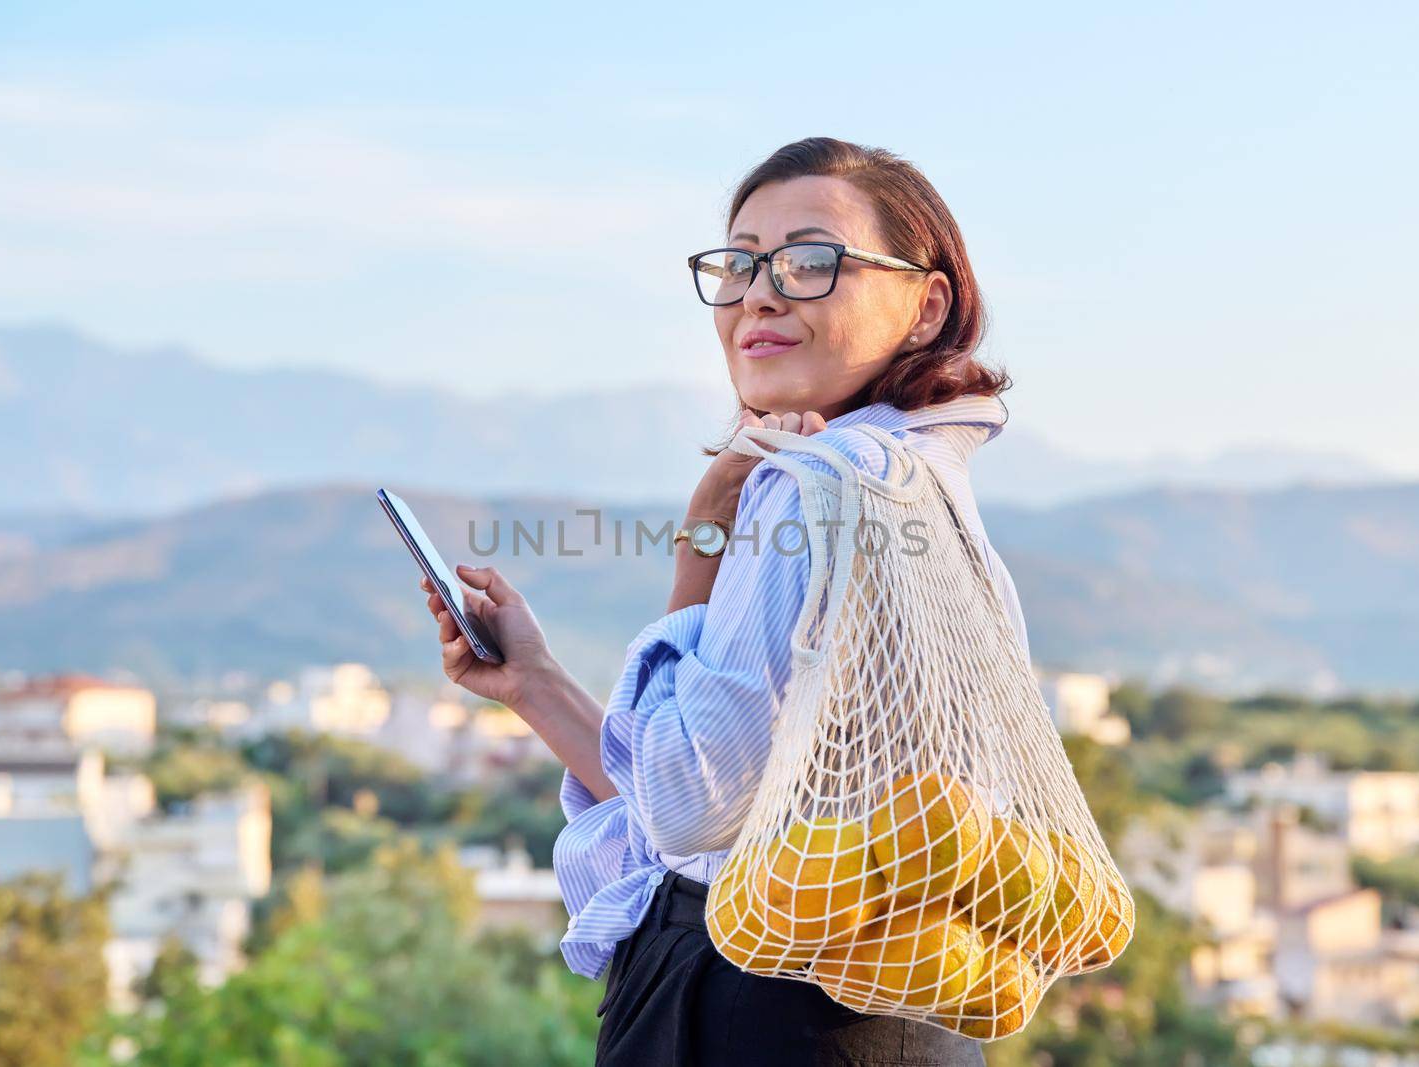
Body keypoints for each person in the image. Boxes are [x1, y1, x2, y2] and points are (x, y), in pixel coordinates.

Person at [424, 136, 1029, 1066]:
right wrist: (536, 684)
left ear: (925, 302)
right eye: (740, 262)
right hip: (879, 1016)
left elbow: (685, 806)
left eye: (810, 261)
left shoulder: (816, 481)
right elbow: (740, 800)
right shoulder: (926, 483)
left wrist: (699, 543)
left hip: (758, 1012)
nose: (760, 292)